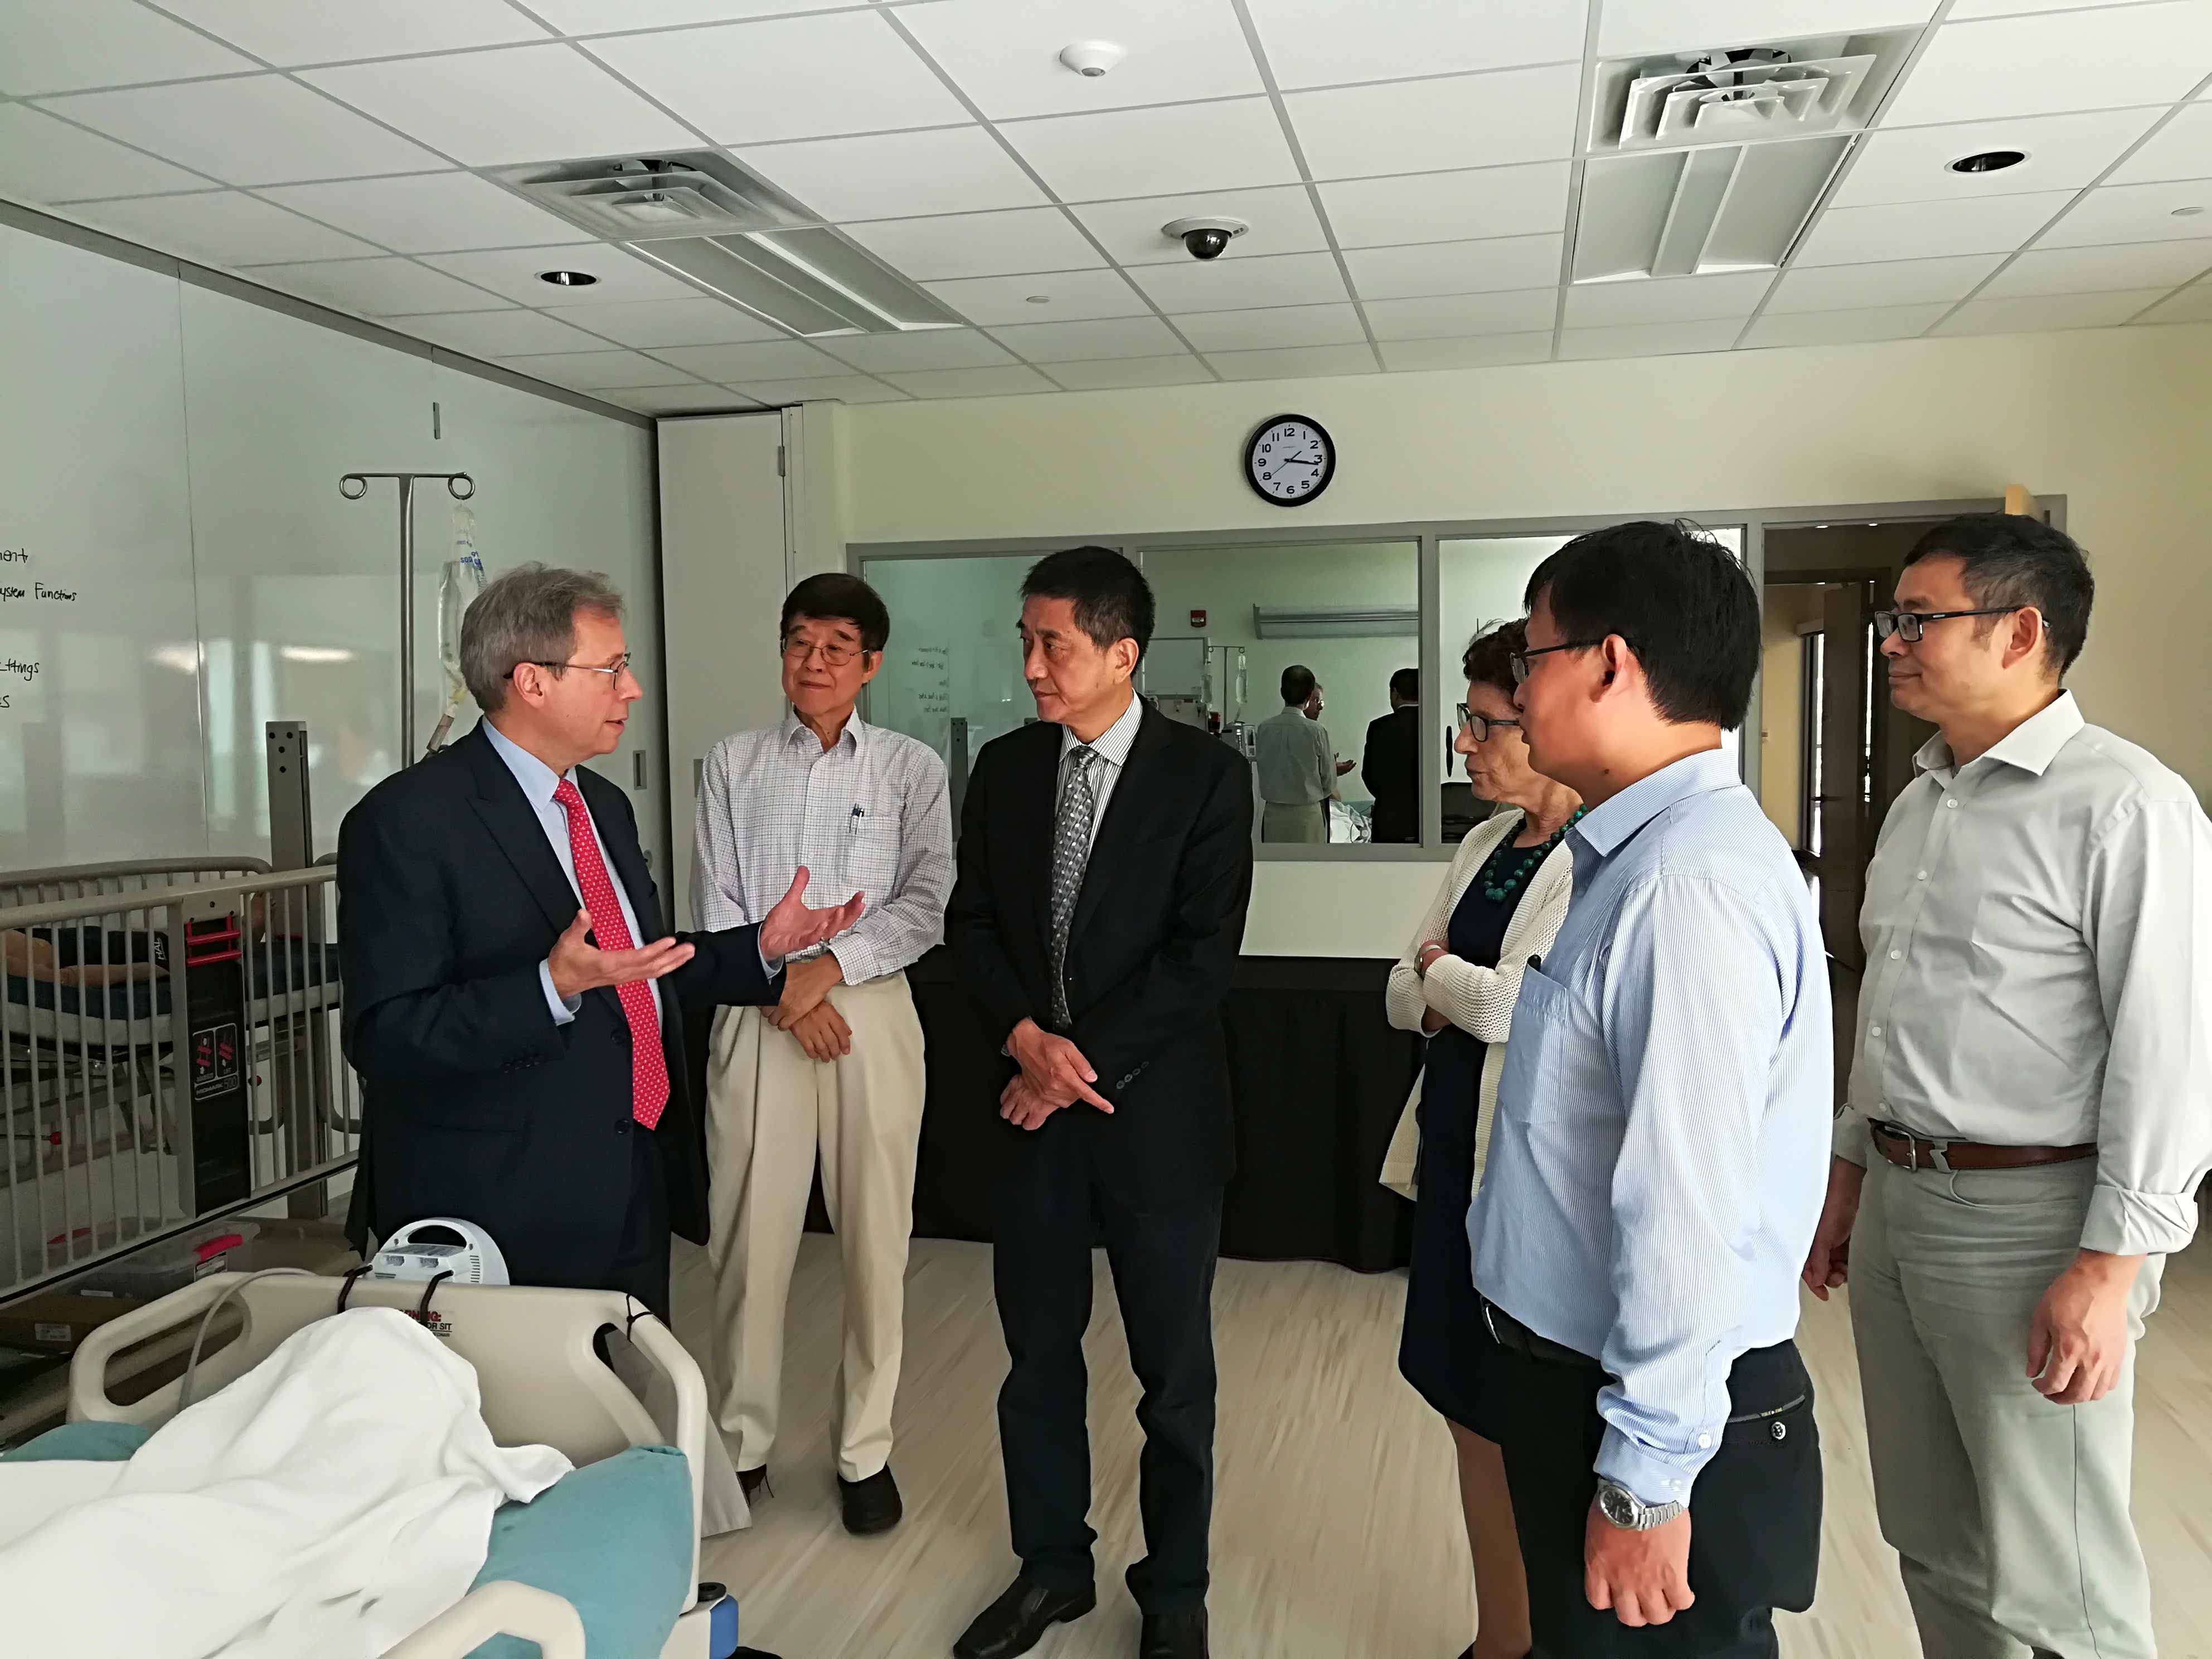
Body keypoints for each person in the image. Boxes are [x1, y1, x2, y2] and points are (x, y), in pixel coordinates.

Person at [1801, 515, 2212, 1659]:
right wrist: (1848, 1171)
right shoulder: (1919, 801)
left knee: (2058, 1579)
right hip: (1899, 1199)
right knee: (1931, 1539)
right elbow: (1894, 1011)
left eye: (1916, 619)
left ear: (2020, 631)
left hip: (2032, 1222)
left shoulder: (2126, 805)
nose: (1891, 641)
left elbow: (2170, 1052)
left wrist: (2108, 1267)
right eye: (1892, 619)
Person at [1470, 521, 1830, 1659]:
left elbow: (1685, 1207)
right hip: (1593, 1384)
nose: (1518, 694)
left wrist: (1641, 1483)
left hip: (1639, 1410)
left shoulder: (1684, 886)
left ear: (1609, 664)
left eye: (1530, 659)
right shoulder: (1643, 855)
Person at [339, 564, 862, 1322]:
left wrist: (760, 948)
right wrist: (547, 989)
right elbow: (386, 1034)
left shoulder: (602, 805)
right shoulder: (409, 821)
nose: (632, 689)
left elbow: (633, 970)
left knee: (622, 1384)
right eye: (611, 669)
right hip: (497, 1198)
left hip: (627, 1169)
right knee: (513, 1400)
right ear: (532, 682)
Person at [945, 546, 1252, 1659]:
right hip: (1030, 1119)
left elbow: (1199, 958)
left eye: (1053, 645)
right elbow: (971, 925)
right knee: (1036, 1363)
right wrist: (1023, 1041)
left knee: (1173, 1380)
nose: (1031, 666)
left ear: (1122, 654)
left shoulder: (1204, 777)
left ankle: (1174, 1588)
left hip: (1153, 1122)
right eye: (1025, 642)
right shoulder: (1006, 770)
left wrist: (1068, 1066)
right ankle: (1051, 1569)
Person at [692, 572, 952, 1539]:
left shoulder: (910, 768)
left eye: (837, 646)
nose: (814, 661)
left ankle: (863, 1451)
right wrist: (784, 991)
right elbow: (717, 900)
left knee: (876, 1243)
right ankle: (741, 1441)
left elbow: (926, 901)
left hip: (868, 1011)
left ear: (871, 664)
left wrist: (830, 969)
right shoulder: (731, 763)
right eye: (799, 641)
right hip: (758, 1012)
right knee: (745, 1242)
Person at [1384, 622, 1579, 1659]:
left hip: (1526, 1181)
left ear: (1541, 717)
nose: (1463, 742)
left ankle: (1540, 1634)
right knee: (1467, 1411)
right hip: (1451, 1159)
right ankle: (1500, 1635)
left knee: (1529, 1425)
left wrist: (1436, 973)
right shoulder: (1481, 846)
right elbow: (1394, 993)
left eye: (1483, 722)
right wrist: (1435, 980)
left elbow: (1510, 1010)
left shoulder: (1590, 856)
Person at [1254, 665, 1352, 842]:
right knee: (1309, 860)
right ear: (1309, 696)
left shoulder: (1264, 728)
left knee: (1276, 860)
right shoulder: (1316, 731)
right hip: (1307, 816)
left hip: (1273, 816)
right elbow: (1329, 783)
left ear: (1282, 692)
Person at [1363, 666, 1423, 843]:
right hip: (1425, 817)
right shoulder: (1430, 725)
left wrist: (1387, 797)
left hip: (1389, 817)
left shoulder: (1379, 727)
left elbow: (1369, 775)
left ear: (1395, 694)